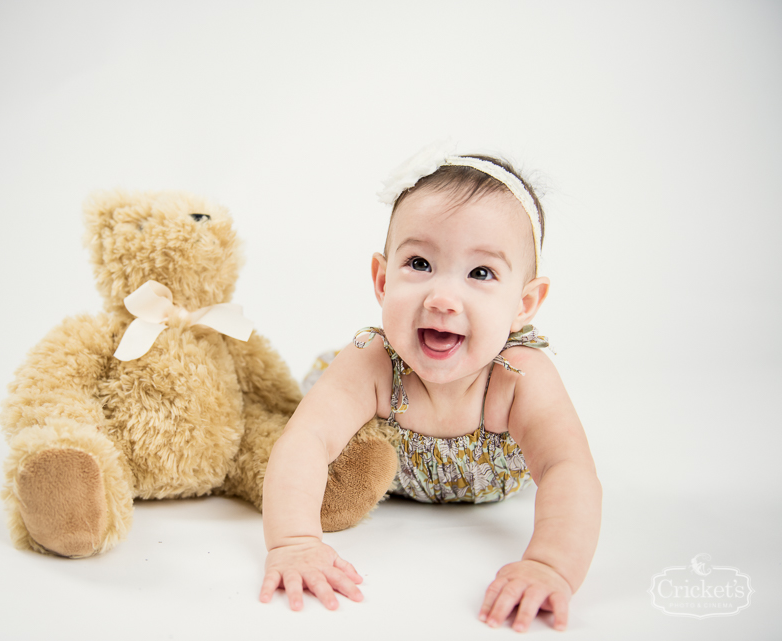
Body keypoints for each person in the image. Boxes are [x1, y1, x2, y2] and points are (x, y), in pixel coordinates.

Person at [258, 141, 601, 632]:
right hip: (369, 458)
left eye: (481, 272)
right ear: (381, 279)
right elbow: (304, 442)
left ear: (525, 303)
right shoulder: (372, 363)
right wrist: (293, 542)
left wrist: (550, 566)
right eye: (419, 264)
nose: (443, 298)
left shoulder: (520, 377)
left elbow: (568, 468)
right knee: (289, 416)